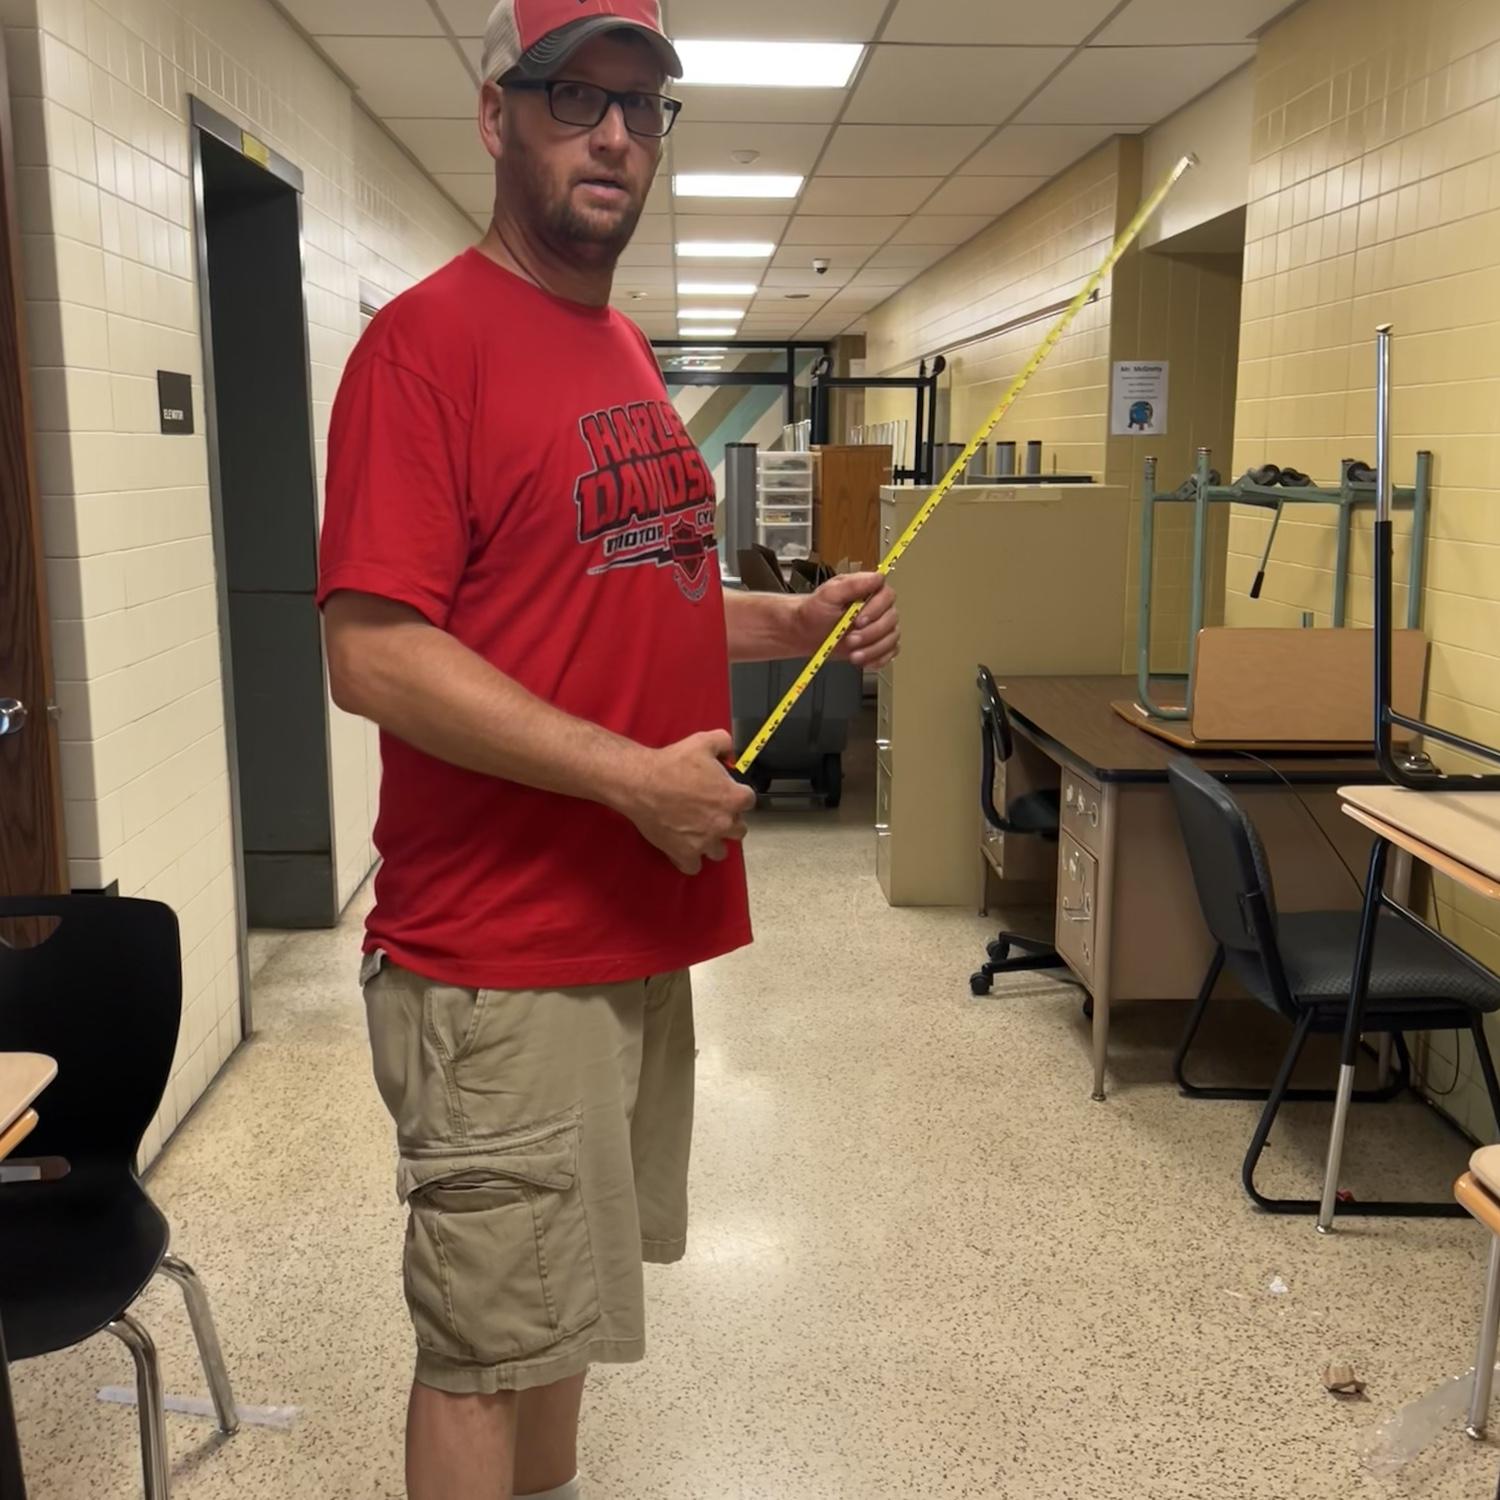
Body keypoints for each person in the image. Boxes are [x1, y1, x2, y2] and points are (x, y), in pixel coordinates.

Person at [317, 2, 900, 1496]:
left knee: (561, 1319)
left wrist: (797, 622)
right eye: (577, 96)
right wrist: (630, 779)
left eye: (644, 106)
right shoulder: (422, 347)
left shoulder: (623, 347)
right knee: (481, 1353)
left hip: (628, 937)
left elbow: (638, 592)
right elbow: (371, 651)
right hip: (498, 958)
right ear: (497, 115)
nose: (617, 135)